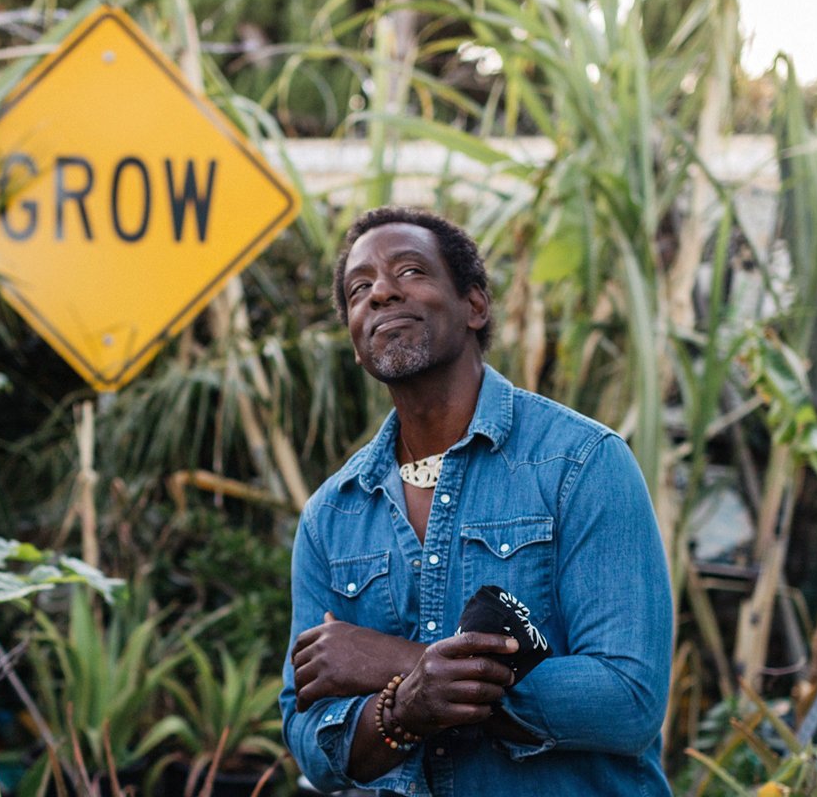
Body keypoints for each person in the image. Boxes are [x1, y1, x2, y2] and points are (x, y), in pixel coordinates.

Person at [279, 206, 673, 796]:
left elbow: (628, 699)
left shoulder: (581, 464)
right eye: (360, 290)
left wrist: (397, 660)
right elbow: (311, 739)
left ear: (475, 306)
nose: (381, 292)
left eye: (410, 271)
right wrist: (404, 709)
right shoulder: (332, 515)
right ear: (357, 345)